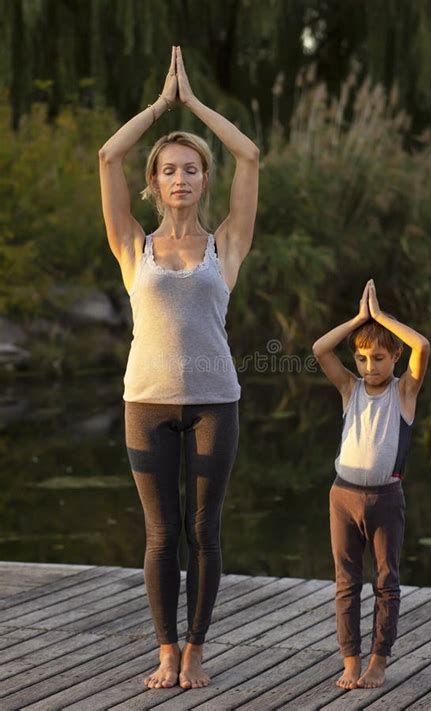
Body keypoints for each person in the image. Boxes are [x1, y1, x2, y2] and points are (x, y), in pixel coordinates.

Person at [98, 46, 259, 690]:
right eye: (169, 170)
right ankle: (165, 650)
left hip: (215, 402)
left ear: (203, 179)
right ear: (155, 181)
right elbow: (108, 156)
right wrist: (159, 107)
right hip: (147, 403)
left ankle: (196, 648)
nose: (181, 180)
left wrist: (194, 106)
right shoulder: (133, 245)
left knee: (204, 531)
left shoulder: (227, 244)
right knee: (162, 536)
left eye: (191, 169)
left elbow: (250, 155)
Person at [312, 279, 430, 690]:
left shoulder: (405, 392)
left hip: (386, 498)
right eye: (362, 359)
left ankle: (378, 662)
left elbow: (424, 348)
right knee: (346, 583)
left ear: (395, 355)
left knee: (385, 581)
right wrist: (359, 320)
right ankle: (350, 661)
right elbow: (320, 350)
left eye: (378, 358)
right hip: (343, 497)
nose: (369, 367)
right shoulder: (351, 389)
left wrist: (381, 318)